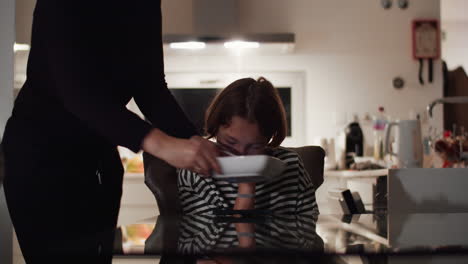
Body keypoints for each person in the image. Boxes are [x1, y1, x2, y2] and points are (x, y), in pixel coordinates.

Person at [1, 1, 220, 262]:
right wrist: (162, 145)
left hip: (100, 161)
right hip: (41, 160)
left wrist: (195, 143)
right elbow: (77, 94)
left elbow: (151, 88)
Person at [178, 77, 319, 215]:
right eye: (230, 142)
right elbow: (195, 227)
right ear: (215, 128)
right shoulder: (197, 167)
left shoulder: (291, 165)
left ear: (268, 138)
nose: (241, 156)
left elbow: (308, 219)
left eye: (255, 146)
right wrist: (246, 186)